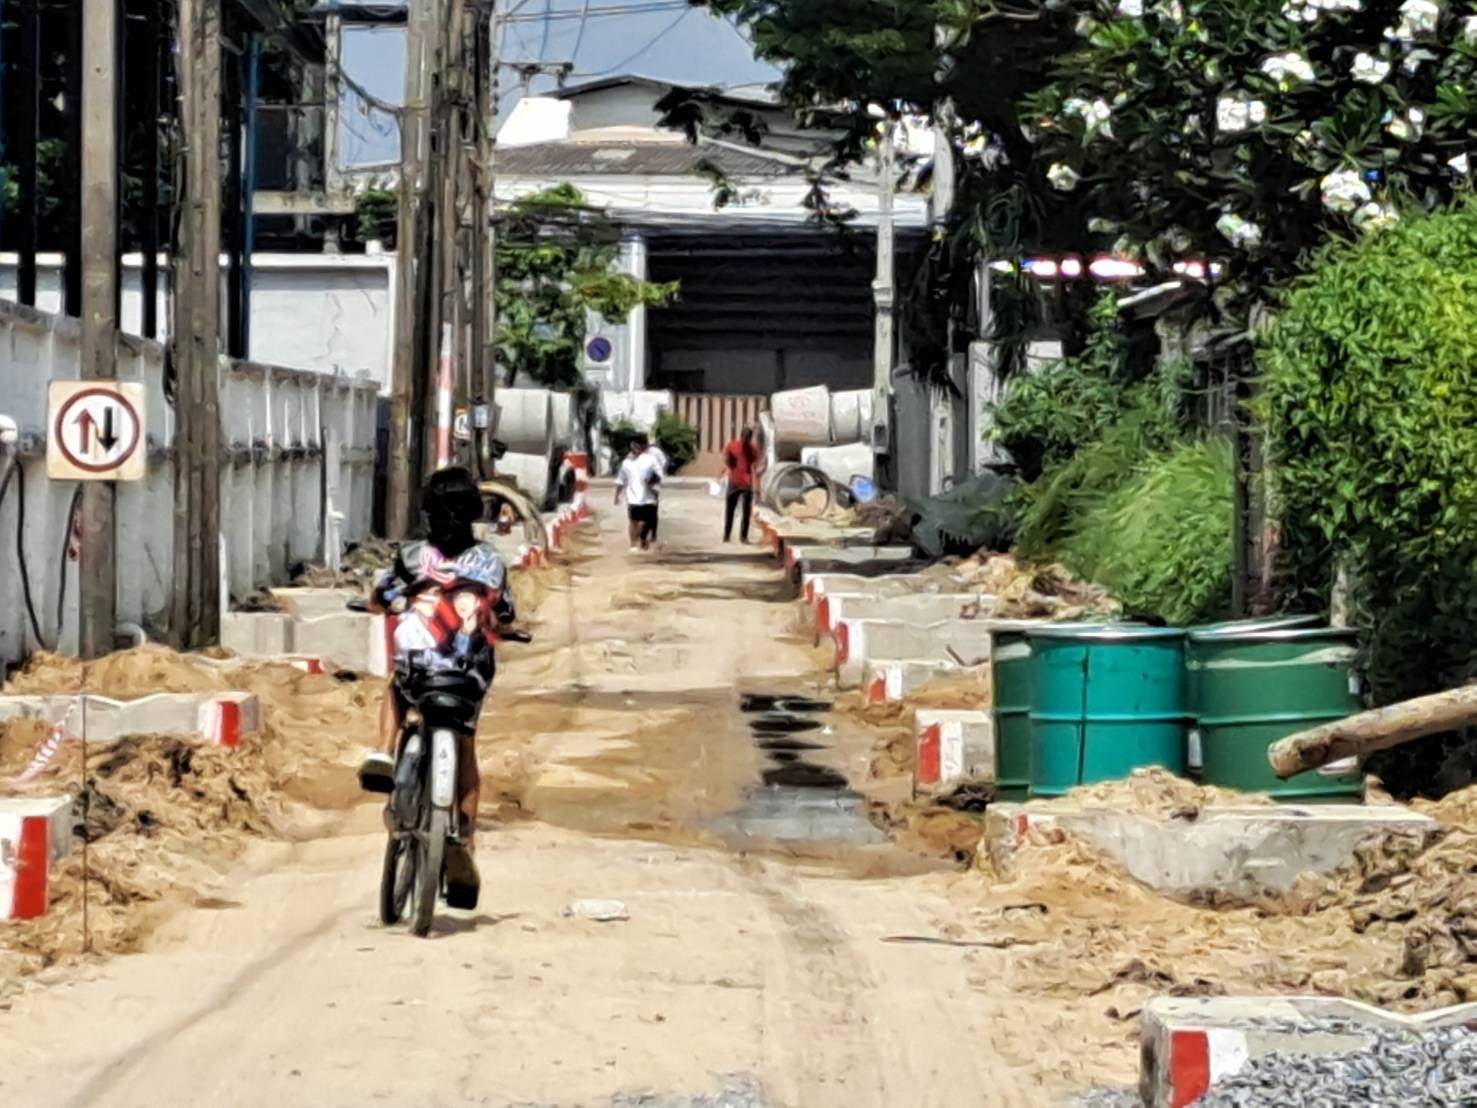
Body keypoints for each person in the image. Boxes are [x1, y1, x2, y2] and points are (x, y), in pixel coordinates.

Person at [358, 466, 517, 899]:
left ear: (427, 511)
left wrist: (377, 603)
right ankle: (465, 844)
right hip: (468, 678)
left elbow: (383, 598)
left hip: (419, 673)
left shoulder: (411, 557)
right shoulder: (491, 562)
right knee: (465, 748)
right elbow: (505, 614)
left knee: (396, 687)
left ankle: (383, 751)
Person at [614, 434, 662, 552]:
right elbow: (621, 480)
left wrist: (652, 481)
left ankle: (638, 539)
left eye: (637, 445)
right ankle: (633, 544)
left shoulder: (650, 460)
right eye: (633, 445)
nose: (634, 448)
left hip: (648, 497)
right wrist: (617, 495)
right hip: (632, 497)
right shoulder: (626, 463)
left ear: (643, 446)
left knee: (642, 522)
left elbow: (659, 474)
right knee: (633, 522)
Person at [721, 426, 763, 543]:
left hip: (746, 484)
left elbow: (755, 464)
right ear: (741, 436)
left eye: (748, 437)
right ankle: (727, 534)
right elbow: (726, 459)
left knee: (745, 512)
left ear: (750, 438)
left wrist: (756, 484)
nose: (746, 439)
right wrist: (732, 468)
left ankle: (743, 536)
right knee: (730, 509)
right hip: (734, 481)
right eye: (745, 437)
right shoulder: (732, 445)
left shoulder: (753, 449)